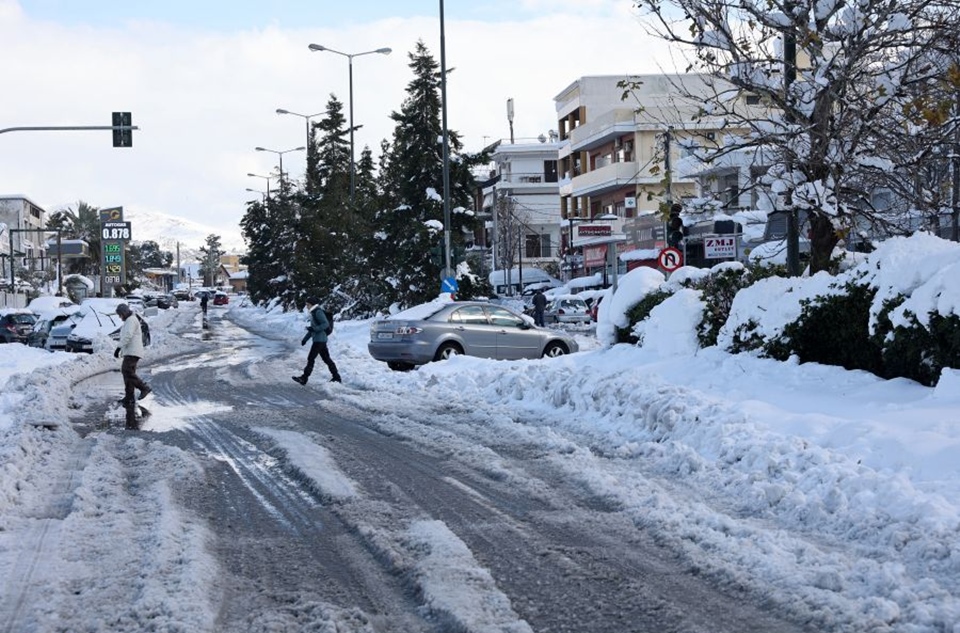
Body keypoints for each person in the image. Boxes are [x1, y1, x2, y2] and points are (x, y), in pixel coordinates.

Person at [293, 296, 341, 385]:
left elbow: (325, 324)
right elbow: (312, 329)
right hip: (320, 340)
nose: (306, 306)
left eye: (307, 304)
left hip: (319, 340)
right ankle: (336, 376)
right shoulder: (314, 312)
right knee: (326, 359)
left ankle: (304, 378)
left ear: (312, 304)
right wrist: (305, 339)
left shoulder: (318, 312)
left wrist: (314, 329)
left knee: (311, 358)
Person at [114, 303, 151, 406]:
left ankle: (144, 388)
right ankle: (129, 397)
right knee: (128, 374)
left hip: (133, 352)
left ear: (124, 313)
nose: (120, 317)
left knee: (127, 371)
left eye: (120, 314)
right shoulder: (130, 320)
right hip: (131, 351)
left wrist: (118, 347)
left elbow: (127, 335)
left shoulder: (131, 320)